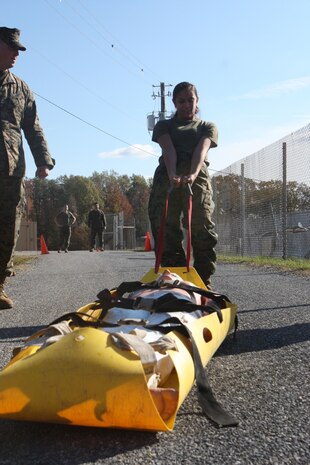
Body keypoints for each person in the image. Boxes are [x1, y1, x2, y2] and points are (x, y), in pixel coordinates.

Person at [0, 27, 55, 310]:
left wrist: (43, 160)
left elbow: (33, 127)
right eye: (11, 48)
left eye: (18, 50)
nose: (15, 55)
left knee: (8, 228)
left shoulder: (21, 88)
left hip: (10, 171)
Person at [148, 81, 218, 288]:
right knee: (164, 226)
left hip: (197, 179)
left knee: (202, 227)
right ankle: (173, 279)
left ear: (197, 101)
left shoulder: (207, 126)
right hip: (167, 178)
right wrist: (172, 174)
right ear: (174, 103)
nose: (187, 105)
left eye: (191, 100)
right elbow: (169, 150)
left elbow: (201, 151)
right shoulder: (164, 126)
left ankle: (203, 281)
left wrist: (194, 173)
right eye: (182, 101)